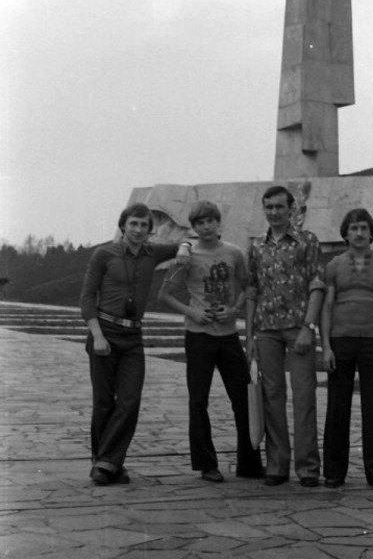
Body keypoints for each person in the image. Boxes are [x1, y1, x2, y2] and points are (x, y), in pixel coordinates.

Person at [80, 202, 189, 485]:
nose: (138, 230)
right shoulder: (104, 254)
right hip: (104, 331)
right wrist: (97, 336)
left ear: (150, 229)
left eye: (144, 225)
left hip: (132, 339)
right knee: (104, 402)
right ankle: (106, 463)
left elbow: (184, 242)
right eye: (133, 224)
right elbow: (87, 297)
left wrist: (185, 247)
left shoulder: (153, 253)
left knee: (130, 400)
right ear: (123, 226)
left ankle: (107, 462)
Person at [159, 201, 263, 483]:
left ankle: (250, 463)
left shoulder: (234, 253)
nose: (206, 227)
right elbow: (164, 295)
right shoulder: (186, 258)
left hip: (228, 335)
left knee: (243, 399)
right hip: (198, 336)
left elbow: (248, 286)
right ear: (194, 227)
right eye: (200, 223)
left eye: (210, 221)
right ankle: (207, 464)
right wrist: (191, 312)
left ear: (219, 223)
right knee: (198, 401)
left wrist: (235, 309)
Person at [246, 185, 325, 487]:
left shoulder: (307, 241)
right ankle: (277, 465)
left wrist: (309, 327)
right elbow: (252, 290)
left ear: (291, 209)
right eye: (269, 207)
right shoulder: (256, 246)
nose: (274, 212)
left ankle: (308, 467)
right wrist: (249, 337)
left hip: (298, 328)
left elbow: (317, 284)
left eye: (279, 207)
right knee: (272, 397)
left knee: (304, 397)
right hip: (266, 329)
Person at [321, 208, 373, 489]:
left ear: (371, 233)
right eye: (353, 228)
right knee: (337, 408)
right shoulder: (333, 266)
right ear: (345, 233)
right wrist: (326, 346)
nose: (358, 233)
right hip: (340, 341)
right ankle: (334, 471)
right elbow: (327, 307)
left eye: (364, 228)